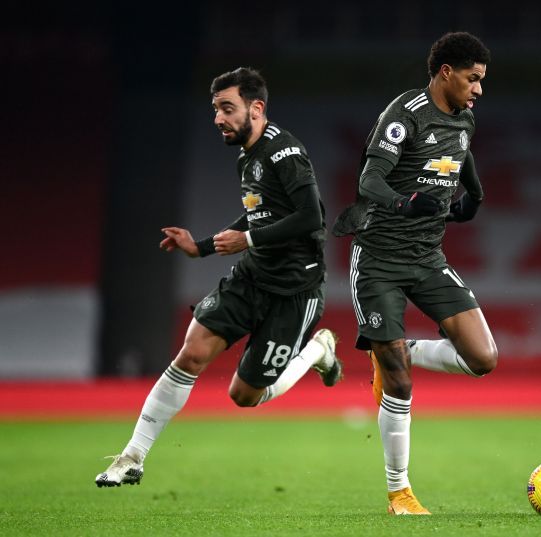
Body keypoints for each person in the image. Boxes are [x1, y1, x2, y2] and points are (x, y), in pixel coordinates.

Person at [96, 67, 342, 487]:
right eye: (215, 109)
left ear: (256, 108)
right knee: (190, 355)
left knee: (243, 396)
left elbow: (311, 217)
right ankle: (132, 456)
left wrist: (247, 238)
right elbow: (259, 212)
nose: (218, 119)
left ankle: (316, 352)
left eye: (227, 108)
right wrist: (203, 246)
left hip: (294, 291)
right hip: (251, 277)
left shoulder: (286, 154)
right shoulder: (246, 154)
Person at [333, 32, 497, 515]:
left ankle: (398, 349)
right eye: (473, 78)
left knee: (483, 358)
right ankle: (399, 493)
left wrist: (475, 197)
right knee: (400, 385)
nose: (479, 89)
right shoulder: (404, 115)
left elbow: (462, 150)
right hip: (379, 260)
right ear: (446, 72)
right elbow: (368, 180)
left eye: (482, 80)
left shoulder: (464, 117)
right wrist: (406, 201)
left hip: (428, 259)